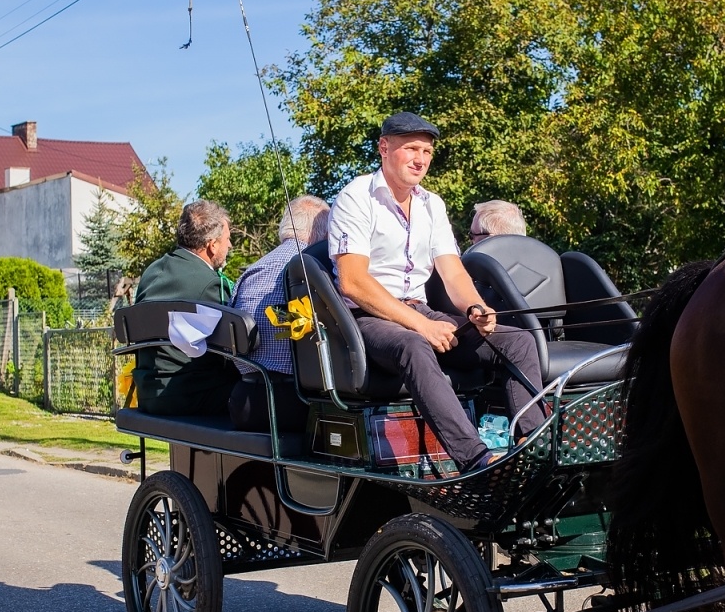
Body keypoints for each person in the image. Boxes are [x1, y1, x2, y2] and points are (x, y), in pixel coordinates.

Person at [329, 112, 546, 471]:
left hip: (420, 309)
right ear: (384, 147)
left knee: (518, 342)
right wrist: (421, 325)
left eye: (427, 152)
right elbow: (353, 281)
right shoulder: (356, 197)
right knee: (414, 345)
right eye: (412, 149)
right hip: (367, 317)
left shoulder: (432, 204)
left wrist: (475, 307)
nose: (421, 159)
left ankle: (533, 448)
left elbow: (453, 271)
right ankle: (477, 461)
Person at [228, 195, 330, 433]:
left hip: (245, 402)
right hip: (300, 404)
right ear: (323, 232)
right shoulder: (319, 267)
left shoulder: (250, 272)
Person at [132, 200, 239, 415]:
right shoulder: (211, 284)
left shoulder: (151, 272)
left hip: (147, 393)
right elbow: (231, 350)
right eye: (227, 239)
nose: (230, 246)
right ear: (212, 245)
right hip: (191, 394)